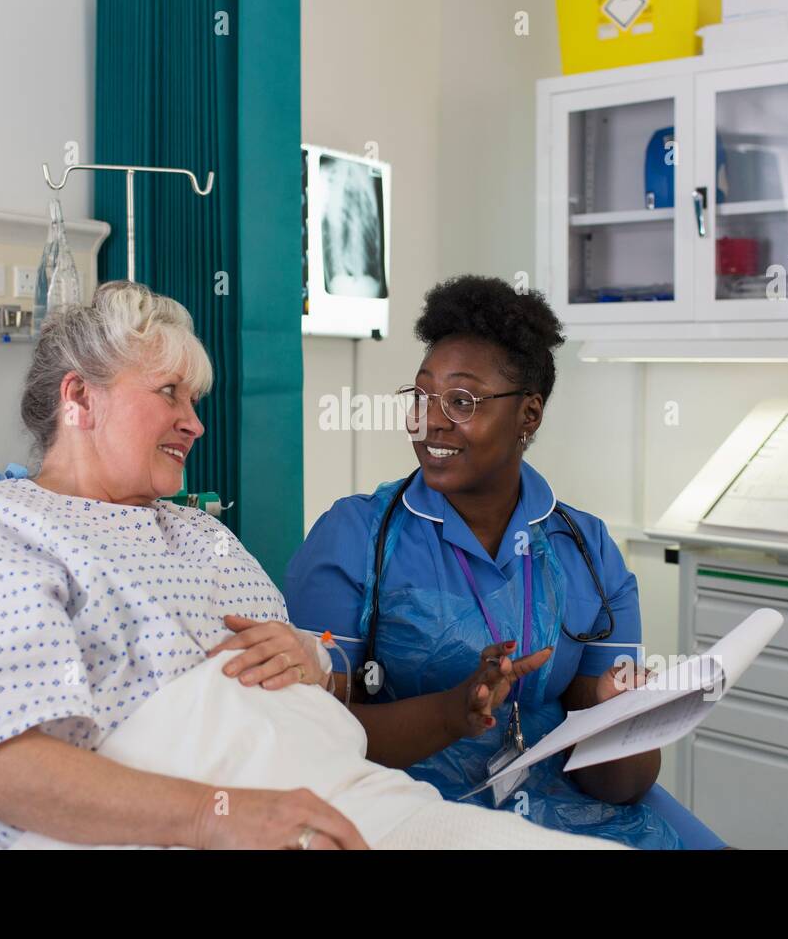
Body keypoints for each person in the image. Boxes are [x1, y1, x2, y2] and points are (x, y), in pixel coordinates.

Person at [0, 280, 621, 851]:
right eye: (169, 392)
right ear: (79, 401)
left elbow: (314, 707)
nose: (195, 421)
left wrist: (311, 659)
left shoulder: (204, 539)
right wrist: (221, 814)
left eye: (195, 399)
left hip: (342, 801)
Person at [284, 274, 683, 848]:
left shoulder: (586, 550)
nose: (431, 420)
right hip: (405, 813)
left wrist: (626, 719)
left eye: (462, 401)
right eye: (421, 396)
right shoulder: (355, 536)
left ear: (529, 415)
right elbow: (311, 735)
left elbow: (620, 786)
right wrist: (453, 713)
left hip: (559, 811)